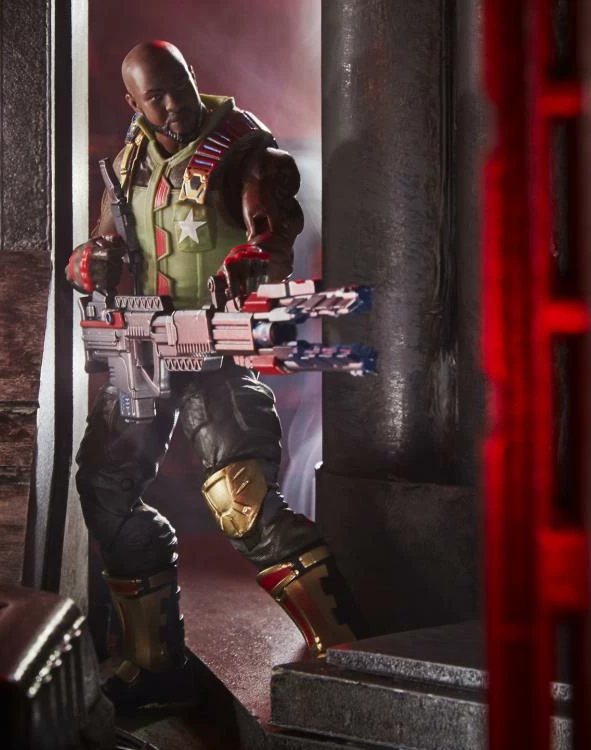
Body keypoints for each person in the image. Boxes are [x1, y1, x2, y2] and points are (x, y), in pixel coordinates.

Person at [66, 40, 366, 713]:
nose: (173, 104)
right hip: (145, 344)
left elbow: (275, 232)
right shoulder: (128, 163)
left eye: (179, 86)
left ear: (192, 76)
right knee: (105, 491)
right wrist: (89, 261)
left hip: (216, 344)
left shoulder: (241, 147)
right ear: (133, 103)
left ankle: (347, 655)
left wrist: (254, 260)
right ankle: (154, 663)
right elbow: (105, 243)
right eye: (156, 96)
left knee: (241, 495)